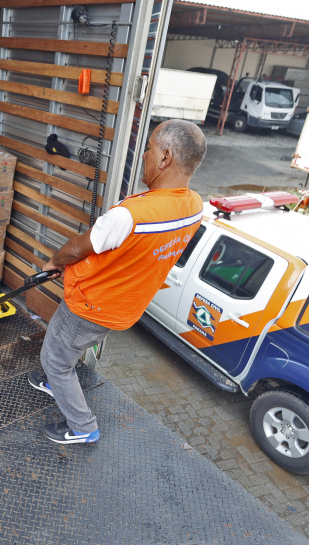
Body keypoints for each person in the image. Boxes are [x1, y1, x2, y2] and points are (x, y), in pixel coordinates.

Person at [28, 120, 206, 444]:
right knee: (66, 350)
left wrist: (54, 263)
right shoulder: (194, 207)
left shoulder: (130, 216)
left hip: (89, 305)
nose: (144, 156)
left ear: (165, 158)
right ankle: (58, 381)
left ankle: (83, 427)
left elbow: (76, 248)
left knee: (53, 360)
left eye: (150, 147)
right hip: (124, 308)